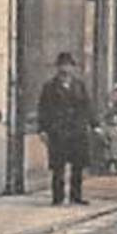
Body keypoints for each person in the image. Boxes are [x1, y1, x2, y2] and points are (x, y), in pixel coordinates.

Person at [39, 51, 94, 205]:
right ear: (57, 68)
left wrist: (93, 124)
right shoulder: (49, 87)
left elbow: (87, 106)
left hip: (77, 130)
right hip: (58, 130)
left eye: (68, 66)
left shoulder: (79, 85)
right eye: (62, 66)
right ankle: (58, 197)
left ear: (72, 68)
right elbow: (43, 109)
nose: (65, 69)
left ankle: (76, 196)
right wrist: (42, 129)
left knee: (78, 166)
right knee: (58, 167)